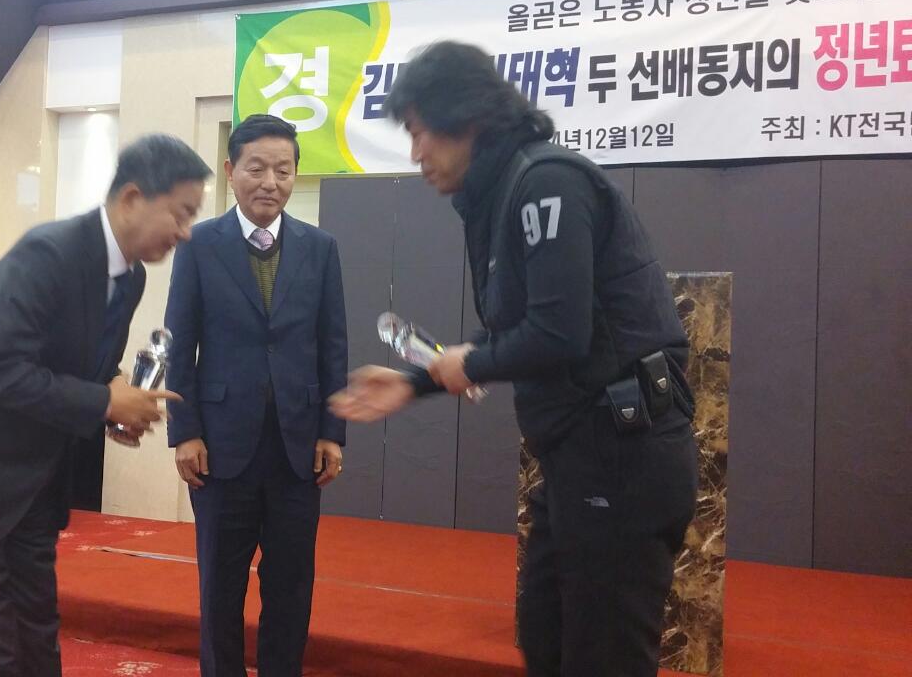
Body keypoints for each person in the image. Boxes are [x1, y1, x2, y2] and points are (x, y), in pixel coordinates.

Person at [329, 42, 698, 677]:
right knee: (545, 637)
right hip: (580, 457)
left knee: (601, 657)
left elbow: (558, 334)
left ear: (465, 117)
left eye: (418, 132)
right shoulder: (501, 194)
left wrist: (466, 366)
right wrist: (416, 382)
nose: (415, 154)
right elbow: (515, 333)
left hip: (623, 456)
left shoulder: (546, 182)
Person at [0, 133, 212, 677]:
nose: (185, 232)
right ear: (133, 198)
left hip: (31, 488)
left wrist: (116, 401)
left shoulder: (130, 276)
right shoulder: (47, 253)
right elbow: (1, 372)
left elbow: (85, 363)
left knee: (36, 642)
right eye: (181, 214)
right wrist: (104, 402)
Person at [164, 114, 348, 677]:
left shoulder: (320, 247)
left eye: (283, 171)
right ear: (230, 170)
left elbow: (333, 345)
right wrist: (185, 432)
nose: (271, 182)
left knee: (291, 586)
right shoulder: (199, 244)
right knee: (220, 585)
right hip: (220, 448)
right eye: (257, 168)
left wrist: (332, 432)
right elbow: (179, 343)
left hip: (297, 448)